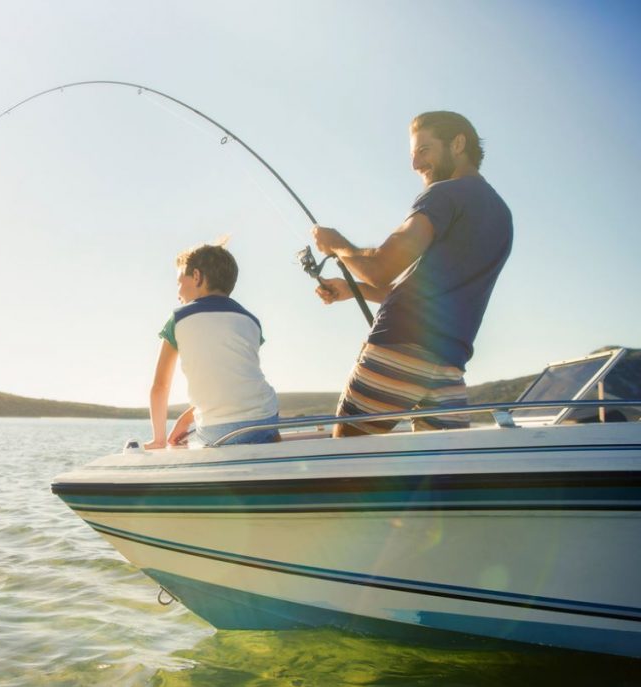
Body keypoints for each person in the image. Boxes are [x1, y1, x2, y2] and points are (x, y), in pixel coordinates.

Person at [312, 111, 513, 437]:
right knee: (437, 477)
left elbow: (380, 268)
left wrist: (336, 244)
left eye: (424, 150)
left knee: (348, 462)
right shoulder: (502, 215)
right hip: (448, 366)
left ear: (458, 144)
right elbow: (433, 291)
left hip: (399, 347)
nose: (415, 165)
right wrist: (353, 290)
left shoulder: (444, 195)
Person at [144, 243, 280, 449]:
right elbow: (234, 382)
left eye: (179, 282)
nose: (178, 293)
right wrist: (186, 418)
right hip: (267, 420)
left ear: (197, 277)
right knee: (264, 426)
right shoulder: (251, 320)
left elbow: (160, 387)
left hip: (218, 430)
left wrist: (159, 439)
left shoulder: (179, 318)